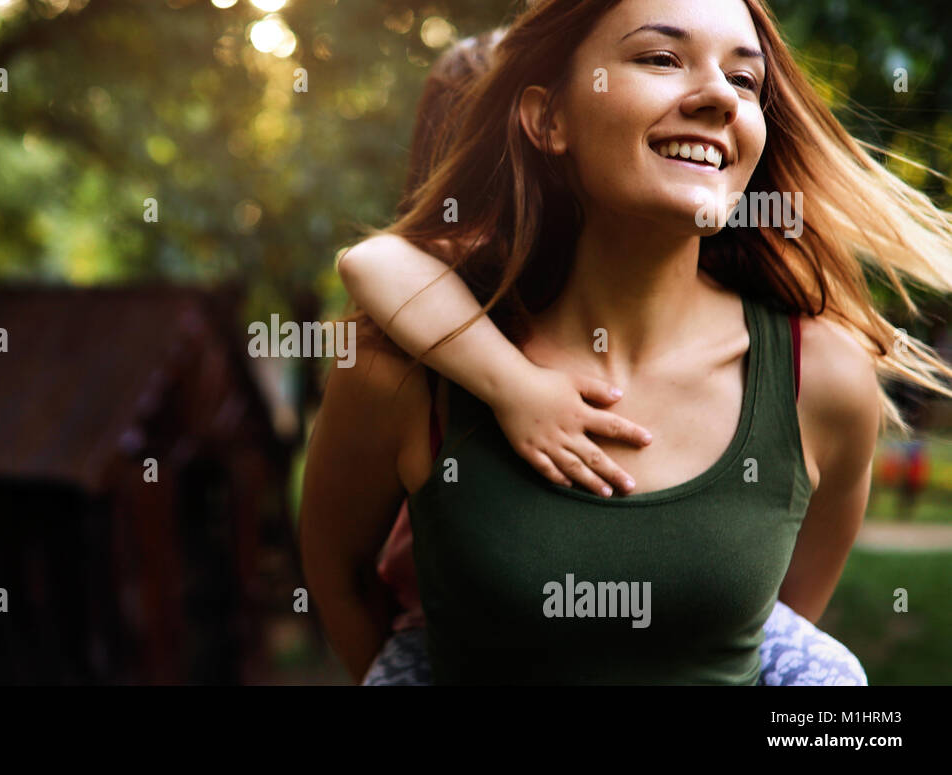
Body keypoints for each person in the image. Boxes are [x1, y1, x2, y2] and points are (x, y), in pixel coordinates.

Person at [300, 0, 952, 685]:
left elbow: (777, 626)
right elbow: (340, 580)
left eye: (744, 80)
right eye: (661, 59)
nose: (718, 99)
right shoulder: (406, 366)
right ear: (549, 119)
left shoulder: (822, 377)